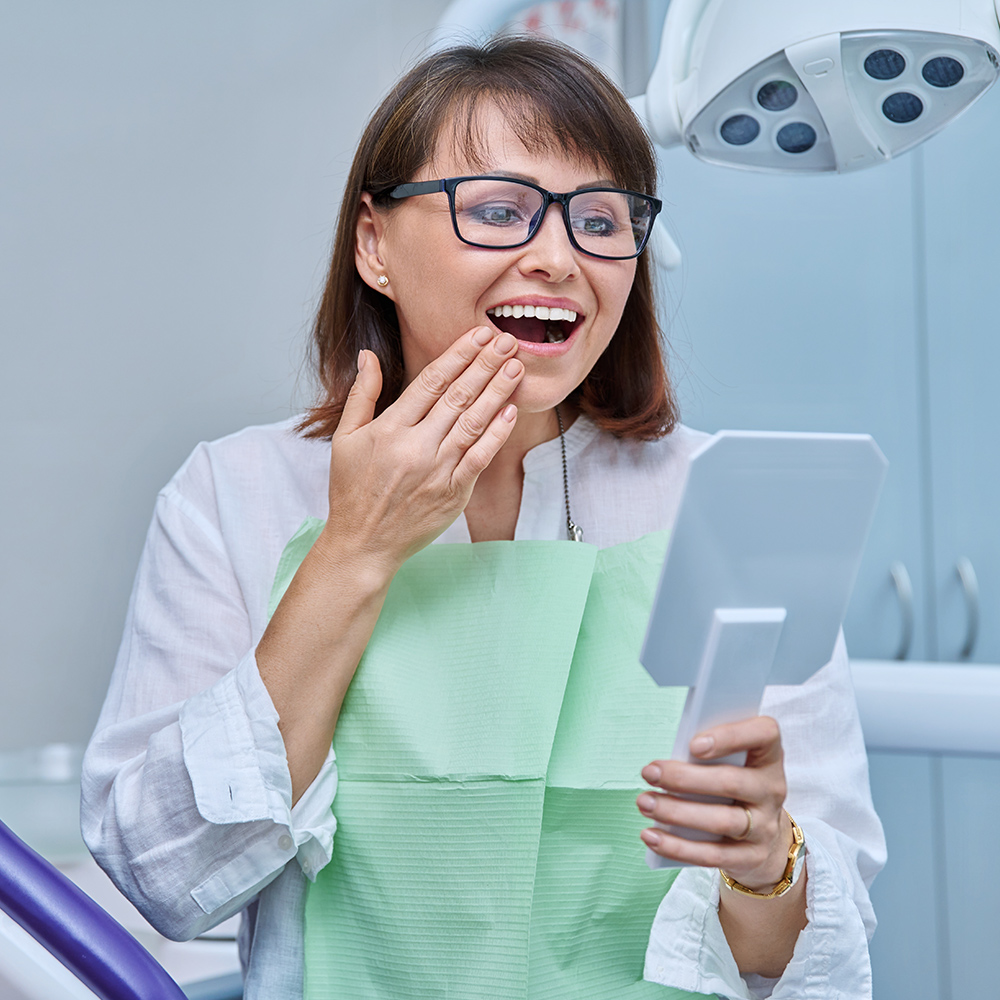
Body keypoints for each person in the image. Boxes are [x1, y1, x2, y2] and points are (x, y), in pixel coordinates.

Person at [81, 35, 885, 1000]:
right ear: (374, 244)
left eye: (600, 220)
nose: (557, 258)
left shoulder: (732, 505)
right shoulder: (233, 495)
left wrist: (768, 861)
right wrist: (356, 548)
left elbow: (800, 953)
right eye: (500, 211)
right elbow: (160, 876)